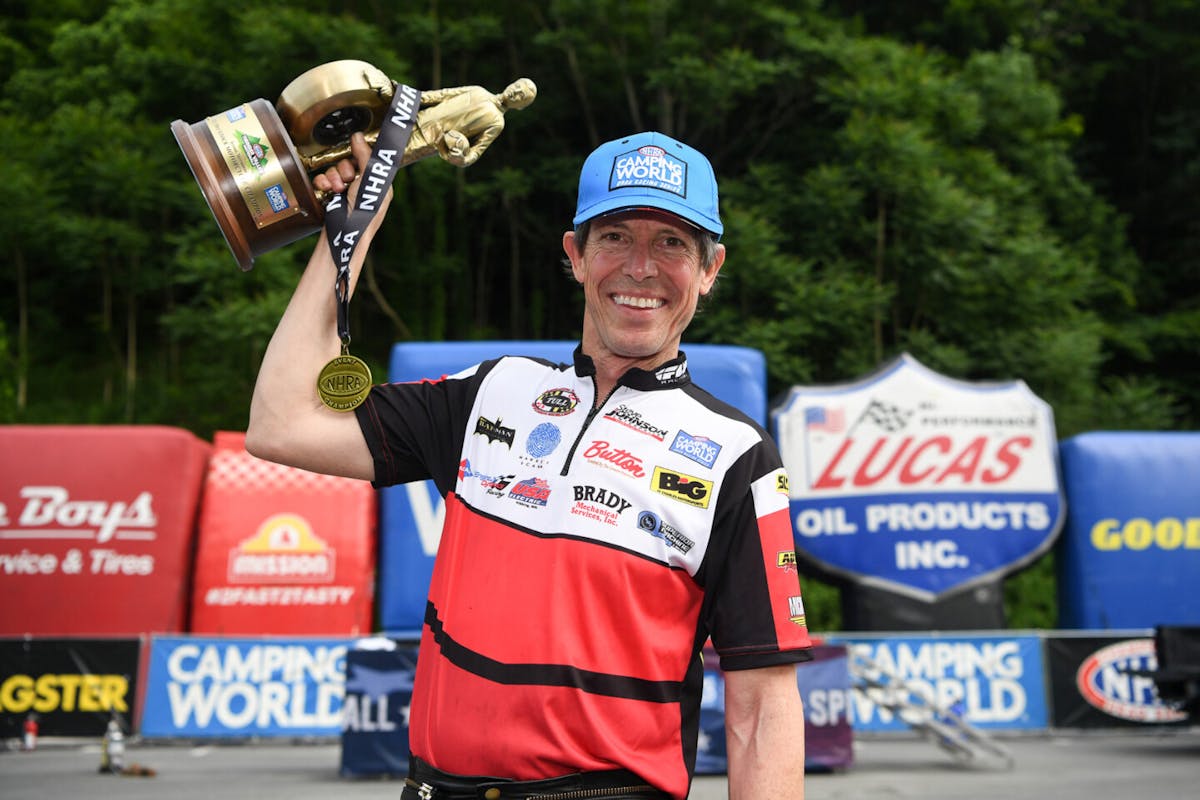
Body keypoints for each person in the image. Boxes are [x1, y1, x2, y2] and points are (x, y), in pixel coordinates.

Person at [247, 130, 812, 799]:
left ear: (710, 269)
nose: (641, 267)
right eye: (615, 237)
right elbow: (281, 425)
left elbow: (762, 708)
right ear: (575, 255)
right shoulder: (491, 391)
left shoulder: (738, 455)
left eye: (672, 244)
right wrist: (347, 237)